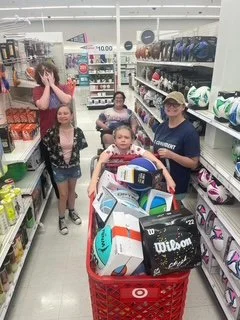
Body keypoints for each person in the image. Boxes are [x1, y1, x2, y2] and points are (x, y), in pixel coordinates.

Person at [88, 125, 175, 197]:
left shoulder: (136, 149)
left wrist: (169, 179)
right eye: (119, 137)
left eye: (126, 137)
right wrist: (93, 184)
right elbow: (100, 163)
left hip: (135, 183)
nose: (123, 140)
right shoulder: (111, 149)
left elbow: (156, 160)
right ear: (114, 140)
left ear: (132, 140)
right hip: (115, 182)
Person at [43, 105, 88, 235]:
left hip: (74, 167)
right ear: (57, 116)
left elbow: (80, 147)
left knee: (72, 192)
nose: (62, 116)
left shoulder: (78, 132)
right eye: (59, 113)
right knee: (63, 195)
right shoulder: (52, 132)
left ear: (72, 115)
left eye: (65, 113)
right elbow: (47, 147)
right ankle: (61, 218)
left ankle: (72, 212)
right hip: (59, 168)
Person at [33, 62, 72, 198]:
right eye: (42, 73)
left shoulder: (63, 87)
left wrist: (53, 85)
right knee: (52, 168)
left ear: (54, 72)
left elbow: (66, 100)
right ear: (39, 76)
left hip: (66, 133)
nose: (46, 75)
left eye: (48, 71)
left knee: (67, 164)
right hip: (48, 135)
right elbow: (43, 106)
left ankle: (69, 192)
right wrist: (47, 86)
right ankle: (61, 195)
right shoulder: (38, 90)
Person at [153, 91, 200, 199]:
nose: (171, 107)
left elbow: (193, 163)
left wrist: (172, 155)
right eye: (168, 104)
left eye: (175, 104)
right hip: (159, 184)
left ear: (183, 107)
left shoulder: (189, 132)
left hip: (176, 188)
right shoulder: (161, 127)